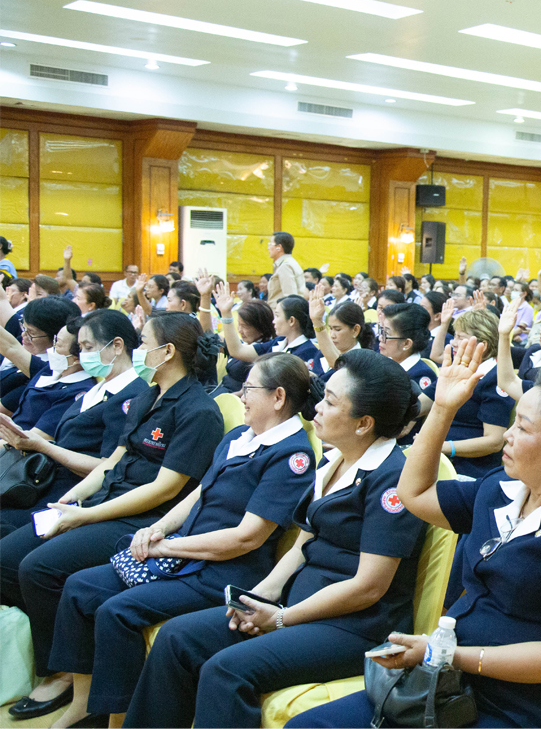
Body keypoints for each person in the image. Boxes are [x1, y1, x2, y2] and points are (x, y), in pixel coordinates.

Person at [287, 352, 541, 729]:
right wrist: (444, 408)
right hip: (450, 682)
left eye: (525, 429)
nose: (508, 435)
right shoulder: (501, 488)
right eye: (513, 423)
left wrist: (449, 655)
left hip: (521, 708)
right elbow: (414, 494)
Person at [123, 351, 425, 728]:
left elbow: (368, 587)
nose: (316, 409)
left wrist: (282, 618)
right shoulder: (333, 462)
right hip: (298, 603)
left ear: (364, 423)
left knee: (227, 671)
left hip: (353, 626)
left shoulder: (391, 480)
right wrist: (262, 597)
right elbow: (303, 544)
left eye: (330, 402)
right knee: (177, 637)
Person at [40, 354, 320, 727]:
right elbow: (196, 496)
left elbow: (246, 538)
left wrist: (166, 546)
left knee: (117, 611)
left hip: (221, 571)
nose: (240, 394)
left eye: (249, 388)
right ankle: (85, 704)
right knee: (80, 587)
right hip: (183, 553)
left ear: (279, 397)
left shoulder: (292, 456)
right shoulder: (239, 436)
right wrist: (157, 530)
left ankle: (118, 718)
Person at [0, 313, 224, 719]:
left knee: (39, 567)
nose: (139, 349)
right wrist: (70, 501)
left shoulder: (198, 411)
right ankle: (64, 671)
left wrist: (86, 517)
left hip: (141, 520)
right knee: (11, 554)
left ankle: (67, 678)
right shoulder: (148, 394)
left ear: (168, 351)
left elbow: (164, 490)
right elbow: (112, 462)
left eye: (145, 341)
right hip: (107, 502)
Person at [0, 311, 148, 540]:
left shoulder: (131, 397)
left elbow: (107, 466)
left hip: (76, 490)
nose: (82, 355)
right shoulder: (99, 387)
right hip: (46, 480)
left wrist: (43, 446)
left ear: (117, 345)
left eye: (88, 348)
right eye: (80, 348)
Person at [433, 307, 513, 480]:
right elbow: (422, 404)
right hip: (439, 455)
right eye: (454, 336)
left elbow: (494, 442)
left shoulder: (494, 379)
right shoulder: (456, 368)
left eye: (460, 338)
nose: (453, 343)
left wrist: (444, 447)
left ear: (482, 345)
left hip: (469, 468)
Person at [216, 285, 321, 375]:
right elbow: (237, 351)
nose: (273, 321)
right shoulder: (278, 342)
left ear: (292, 321)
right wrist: (226, 313)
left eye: (277, 315)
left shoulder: (308, 352)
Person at [0, 296, 80, 414]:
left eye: (31, 333)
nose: (24, 335)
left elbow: (10, 348)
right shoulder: (25, 339)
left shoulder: (47, 371)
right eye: (23, 327)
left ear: (56, 337)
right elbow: (2, 300)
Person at [377, 302, 437, 444]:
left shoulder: (421, 375)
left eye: (386, 334)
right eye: (381, 331)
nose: (380, 338)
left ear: (406, 344)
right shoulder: (385, 362)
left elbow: (402, 429)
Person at [309, 297, 372, 381]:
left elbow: (337, 364)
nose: (332, 335)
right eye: (330, 328)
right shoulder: (321, 353)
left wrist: (317, 322)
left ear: (355, 330)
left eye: (337, 329)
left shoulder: (363, 361)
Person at [267, 231, 305, 305]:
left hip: (282, 313)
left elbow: (289, 297)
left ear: (279, 247)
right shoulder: (289, 262)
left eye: (270, 244)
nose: (268, 248)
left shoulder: (285, 266)